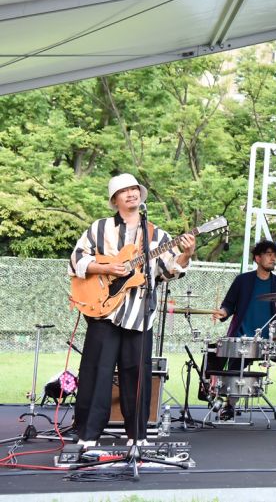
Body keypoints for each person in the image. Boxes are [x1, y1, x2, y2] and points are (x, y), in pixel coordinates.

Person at [68, 173, 195, 446]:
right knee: (96, 371)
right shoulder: (99, 228)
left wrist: (186, 254)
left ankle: (137, 436)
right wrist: (105, 267)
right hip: (103, 311)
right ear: (115, 199)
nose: (131, 194)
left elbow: (168, 271)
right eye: (124, 191)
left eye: (134, 189)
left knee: (137, 375)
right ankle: (87, 435)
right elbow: (76, 259)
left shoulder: (157, 234)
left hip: (140, 314)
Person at [211, 240, 276, 420]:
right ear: (257, 258)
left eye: (275, 255)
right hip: (245, 338)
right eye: (269, 254)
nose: (273, 258)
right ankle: (229, 406)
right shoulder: (242, 281)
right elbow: (228, 304)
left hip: (270, 341)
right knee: (235, 366)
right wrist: (222, 312)